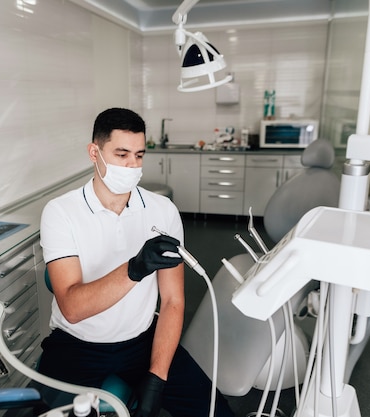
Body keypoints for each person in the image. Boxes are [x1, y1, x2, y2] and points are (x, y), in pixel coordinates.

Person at [38, 108, 234, 417]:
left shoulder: (162, 210)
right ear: (94, 152)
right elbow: (72, 309)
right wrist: (135, 269)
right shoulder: (61, 212)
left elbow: (172, 301)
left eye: (139, 155)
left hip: (141, 340)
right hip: (76, 346)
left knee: (215, 411)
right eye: (122, 154)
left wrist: (156, 378)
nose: (132, 166)